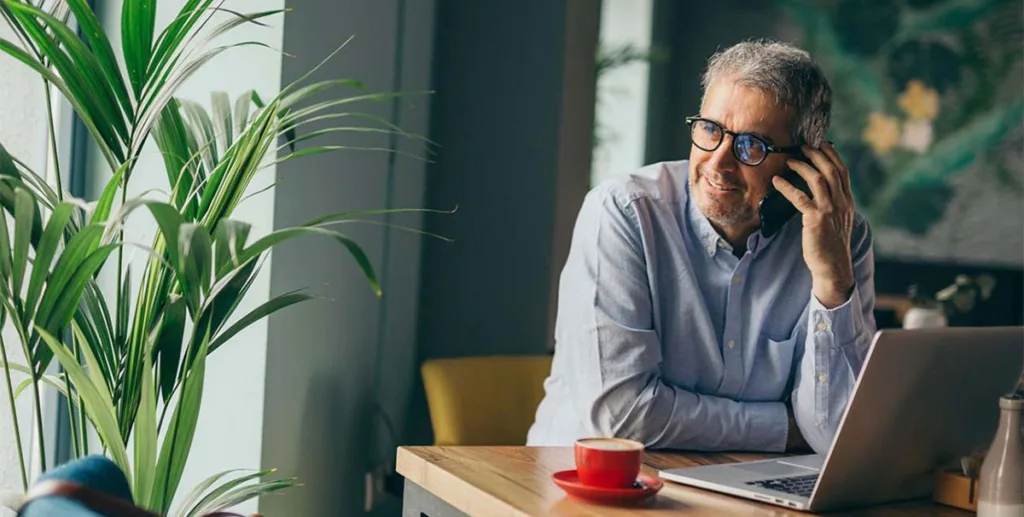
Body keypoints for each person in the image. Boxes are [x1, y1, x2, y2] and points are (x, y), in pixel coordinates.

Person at [526, 39, 876, 454]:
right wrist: (784, 429)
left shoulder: (840, 238)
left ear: (805, 162)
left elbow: (837, 434)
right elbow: (620, 416)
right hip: (581, 488)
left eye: (751, 145)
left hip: (738, 489)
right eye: (710, 130)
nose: (718, 162)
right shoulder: (624, 212)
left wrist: (832, 280)